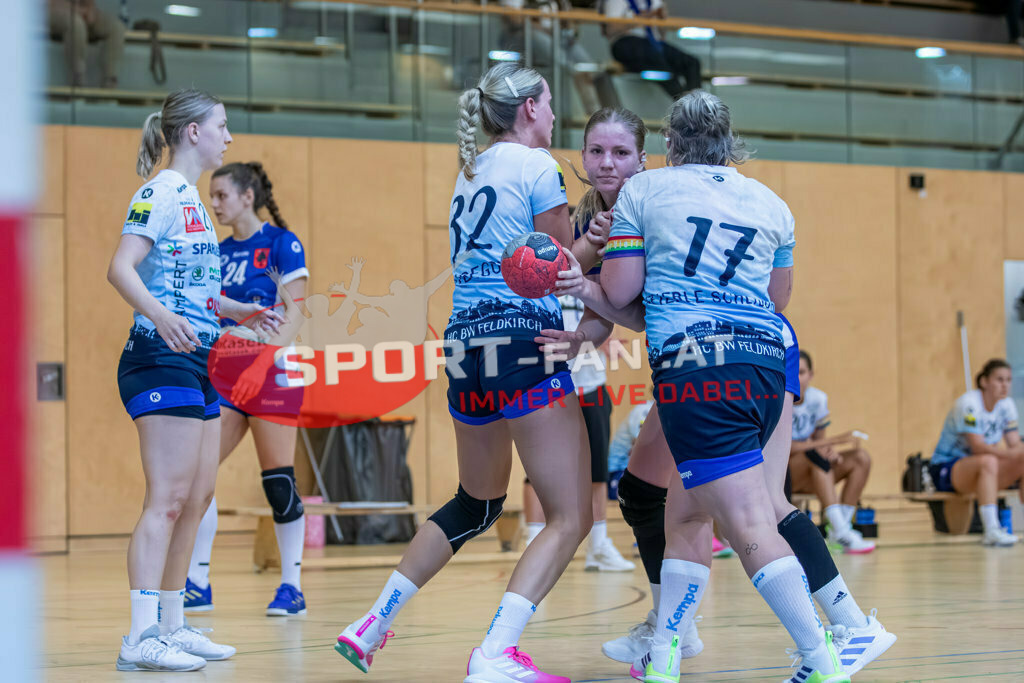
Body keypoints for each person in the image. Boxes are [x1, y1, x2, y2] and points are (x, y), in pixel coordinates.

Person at [333, 62, 602, 682]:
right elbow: (558, 267)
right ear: (531, 107)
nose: (556, 115)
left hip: (463, 344)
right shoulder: (538, 167)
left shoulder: (472, 170)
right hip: (520, 338)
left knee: (476, 503)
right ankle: (496, 653)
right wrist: (604, 237)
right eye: (551, 104)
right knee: (571, 515)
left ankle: (372, 622)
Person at [598, 90, 847, 682]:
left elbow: (619, 290)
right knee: (683, 518)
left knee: (750, 523)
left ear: (669, 142)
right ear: (729, 141)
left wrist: (585, 288)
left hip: (698, 369)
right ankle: (664, 657)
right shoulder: (772, 204)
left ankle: (821, 656)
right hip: (766, 369)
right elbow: (777, 300)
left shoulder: (645, 191)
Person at [107, 89, 283, 671]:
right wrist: (159, 315)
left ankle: (173, 625)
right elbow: (121, 268)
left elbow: (197, 291)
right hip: (158, 355)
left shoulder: (195, 207)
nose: (228, 138)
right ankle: (140, 636)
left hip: (198, 355)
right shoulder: (159, 193)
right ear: (191, 133)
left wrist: (241, 312)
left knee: (199, 497)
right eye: (222, 127)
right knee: (168, 499)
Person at [523, 107, 651, 572]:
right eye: (596, 151)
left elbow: (633, 311)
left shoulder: (650, 207)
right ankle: (671, 626)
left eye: (620, 152)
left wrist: (583, 285)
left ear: (642, 159)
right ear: (581, 155)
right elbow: (611, 311)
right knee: (646, 492)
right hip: (670, 357)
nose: (607, 163)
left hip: (720, 347)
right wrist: (581, 338)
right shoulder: (585, 216)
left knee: (727, 505)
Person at [183, 161, 311, 616]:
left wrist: (263, 362)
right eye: (211, 196)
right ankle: (197, 580)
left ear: (246, 197)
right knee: (199, 471)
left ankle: (292, 588)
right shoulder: (216, 252)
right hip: (227, 374)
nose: (213, 203)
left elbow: (296, 313)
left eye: (220, 195)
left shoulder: (281, 242)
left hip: (275, 371)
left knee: (278, 481)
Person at [788, 350, 876, 554]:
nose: (797, 377)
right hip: (786, 473)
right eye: (793, 372)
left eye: (802, 372)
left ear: (811, 374)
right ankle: (841, 530)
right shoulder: (781, 399)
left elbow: (819, 443)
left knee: (860, 458)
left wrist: (829, 451)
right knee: (814, 458)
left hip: (813, 469)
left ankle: (840, 529)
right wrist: (836, 440)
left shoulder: (818, 399)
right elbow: (783, 448)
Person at [930, 358, 1024, 546]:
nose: (1005, 385)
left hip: (985, 470)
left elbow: (1015, 445)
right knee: (987, 460)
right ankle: (991, 529)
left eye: (1008, 380)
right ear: (984, 381)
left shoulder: (1007, 406)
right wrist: (1010, 454)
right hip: (947, 468)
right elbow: (977, 446)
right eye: (999, 379)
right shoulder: (968, 404)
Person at [497, 0, 618, 113]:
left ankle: (609, 113)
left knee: (588, 65)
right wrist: (544, 29)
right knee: (550, 47)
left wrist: (568, 28)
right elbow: (515, 19)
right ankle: (590, 107)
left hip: (557, 36)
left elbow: (568, 17)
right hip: (524, 36)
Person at [598, 0, 701, 100]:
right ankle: (687, 106)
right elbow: (611, 28)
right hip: (626, 42)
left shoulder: (654, 2)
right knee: (662, 67)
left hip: (654, 44)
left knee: (692, 62)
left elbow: (661, 35)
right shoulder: (616, 1)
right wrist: (640, 19)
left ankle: (697, 104)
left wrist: (661, 18)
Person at [48, 0, 125, 88]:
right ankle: (78, 81)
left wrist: (90, 10)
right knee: (76, 23)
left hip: (79, 12)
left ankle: (110, 82)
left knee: (117, 27)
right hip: (50, 11)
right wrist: (76, 10)